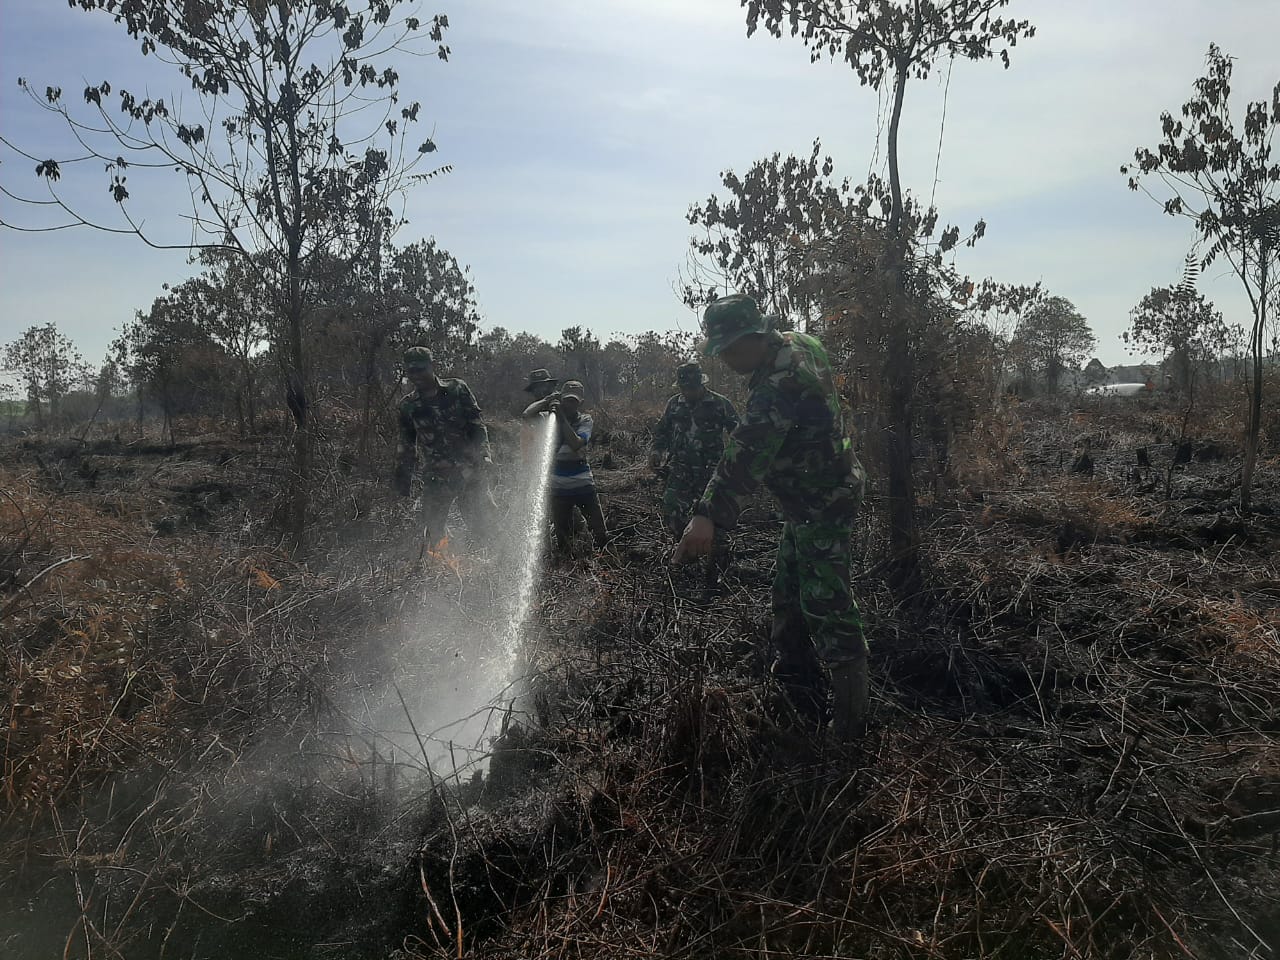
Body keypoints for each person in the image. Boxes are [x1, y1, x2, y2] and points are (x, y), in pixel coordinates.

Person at [672, 295, 869, 741]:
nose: (723, 358)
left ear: (756, 337)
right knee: (788, 591)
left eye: (729, 348)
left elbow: (745, 455)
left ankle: (851, 730)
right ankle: (796, 685)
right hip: (809, 501)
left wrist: (706, 516)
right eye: (718, 349)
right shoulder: (800, 343)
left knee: (828, 605)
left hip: (824, 503)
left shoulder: (779, 384)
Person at [392, 346, 496, 549]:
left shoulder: (457, 389)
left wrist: (484, 455)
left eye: (421, 369)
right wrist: (402, 480)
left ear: (432, 366)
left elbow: (477, 425)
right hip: (436, 477)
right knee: (434, 532)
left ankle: (490, 568)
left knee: (484, 526)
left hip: (470, 471)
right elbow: (406, 445)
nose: (417, 376)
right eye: (412, 371)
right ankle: (440, 572)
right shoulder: (408, 406)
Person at [650, 360, 739, 592]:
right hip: (680, 470)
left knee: (714, 522)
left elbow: (739, 435)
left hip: (712, 474)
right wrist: (656, 450)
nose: (688, 392)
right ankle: (688, 554)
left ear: (701, 384)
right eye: (684, 388)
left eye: (692, 388)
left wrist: (734, 464)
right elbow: (662, 430)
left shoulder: (720, 404)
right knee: (672, 512)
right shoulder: (674, 404)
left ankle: (717, 573)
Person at [523, 379, 608, 555]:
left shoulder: (585, 420)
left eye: (574, 402)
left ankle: (605, 566)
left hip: (584, 487)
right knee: (563, 540)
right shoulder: (548, 418)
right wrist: (548, 401)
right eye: (567, 400)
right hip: (559, 490)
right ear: (561, 398)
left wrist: (561, 418)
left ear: (581, 403)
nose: (570, 405)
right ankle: (565, 572)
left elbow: (576, 443)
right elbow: (527, 414)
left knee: (600, 533)